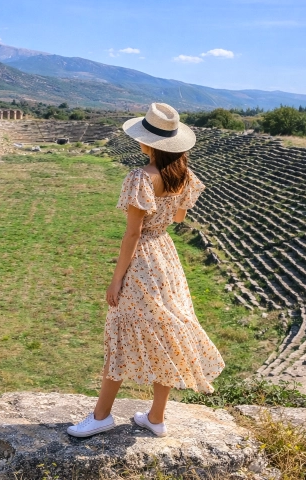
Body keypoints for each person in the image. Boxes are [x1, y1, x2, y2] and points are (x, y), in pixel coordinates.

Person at [67, 103, 224, 438]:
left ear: (148, 142)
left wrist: (117, 278)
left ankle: (101, 416)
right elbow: (178, 219)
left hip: (142, 259)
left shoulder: (141, 177)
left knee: (121, 332)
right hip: (166, 256)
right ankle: (155, 417)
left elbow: (133, 233)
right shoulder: (183, 176)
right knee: (167, 330)